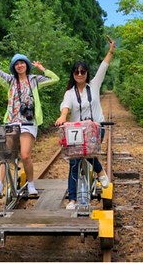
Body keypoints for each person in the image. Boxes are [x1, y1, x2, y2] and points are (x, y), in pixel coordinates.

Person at [0, 38, 59, 198]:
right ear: (14, 67)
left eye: (22, 63)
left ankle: (31, 185)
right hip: (12, 122)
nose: (20, 65)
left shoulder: (34, 80)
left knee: (25, 155)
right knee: (5, 154)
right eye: (16, 64)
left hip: (29, 123)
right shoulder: (10, 81)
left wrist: (42, 69)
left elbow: (55, 79)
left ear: (26, 65)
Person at [54, 36, 116, 209]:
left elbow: (103, 67)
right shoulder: (69, 93)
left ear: (87, 73)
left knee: (86, 150)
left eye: (83, 72)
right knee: (74, 162)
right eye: (76, 72)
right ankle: (73, 199)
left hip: (95, 128)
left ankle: (99, 172)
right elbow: (65, 108)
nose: (80, 74)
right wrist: (62, 118)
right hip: (76, 131)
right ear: (73, 75)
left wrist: (111, 51)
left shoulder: (94, 86)